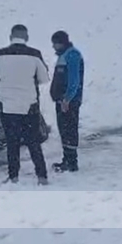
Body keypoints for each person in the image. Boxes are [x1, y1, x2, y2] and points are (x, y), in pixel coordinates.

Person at [0, 24, 49, 185]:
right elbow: (44, 79)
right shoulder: (35, 55)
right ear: (27, 38)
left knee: (12, 143)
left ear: (10, 37)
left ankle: (13, 176)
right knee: (33, 142)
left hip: (7, 106)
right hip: (29, 105)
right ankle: (42, 176)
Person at [49, 31, 83, 173]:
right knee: (64, 130)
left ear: (61, 42)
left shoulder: (72, 55)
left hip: (68, 101)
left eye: (55, 43)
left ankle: (72, 162)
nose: (53, 46)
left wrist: (67, 99)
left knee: (69, 130)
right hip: (61, 100)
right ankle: (67, 159)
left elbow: (74, 80)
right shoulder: (63, 56)